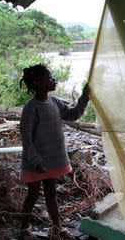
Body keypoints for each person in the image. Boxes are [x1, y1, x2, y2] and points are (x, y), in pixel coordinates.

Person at [18, 64, 90, 239]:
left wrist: (85, 96)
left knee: (51, 194)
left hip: (52, 160)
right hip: (35, 163)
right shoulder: (31, 108)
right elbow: (26, 139)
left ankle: (56, 228)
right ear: (37, 83)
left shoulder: (55, 102)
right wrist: (36, 160)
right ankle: (23, 228)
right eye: (49, 78)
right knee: (33, 195)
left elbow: (73, 115)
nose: (53, 80)